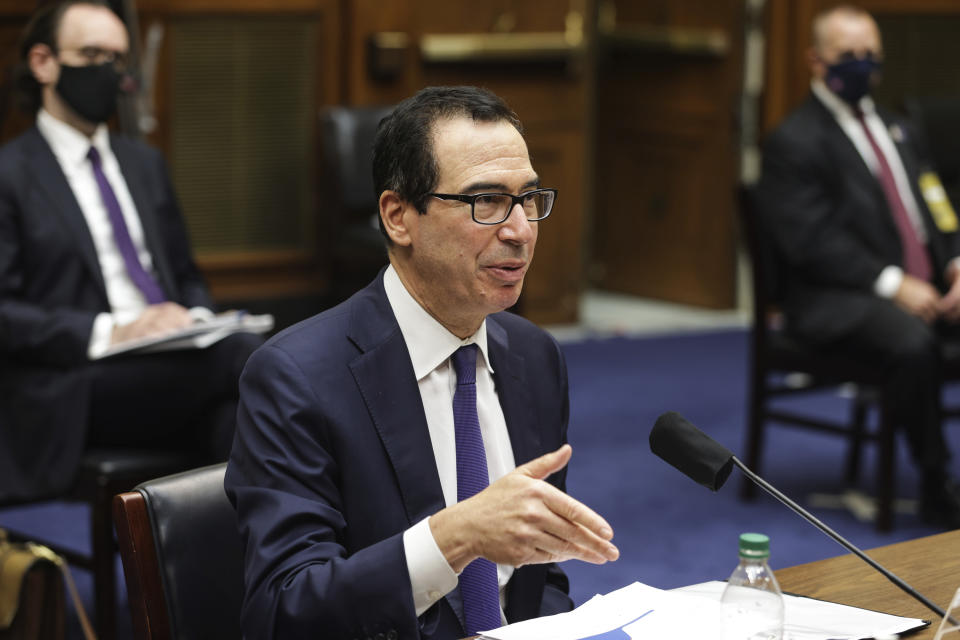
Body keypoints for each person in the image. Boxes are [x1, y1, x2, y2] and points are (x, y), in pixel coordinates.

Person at [225, 86, 619, 639]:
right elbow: (284, 610)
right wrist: (454, 538)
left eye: (528, 199)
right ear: (398, 217)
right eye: (486, 201)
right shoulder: (296, 378)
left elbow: (539, 577)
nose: (520, 231)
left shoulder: (534, 356)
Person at [0, 0, 261, 503]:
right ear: (43, 63)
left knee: (232, 416)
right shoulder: (10, 174)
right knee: (251, 363)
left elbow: (184, 275)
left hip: (174, 365)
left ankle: (221, 573)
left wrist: (199, 319)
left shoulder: (143, 164)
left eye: (118, 60)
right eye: (93, 54)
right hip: (77, 380)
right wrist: (113, 331)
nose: (109, 73)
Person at [756, 4, 960, 527]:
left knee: (919, 323)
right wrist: (895, 285)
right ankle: (938, 481)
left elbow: (935, 206)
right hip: (832, 300)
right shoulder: (793, 141)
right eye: (848, 55)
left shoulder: (899, 127)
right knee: (911, 341)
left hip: (921, 287)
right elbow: (812, 242)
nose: (862, 65)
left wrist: (956, 262)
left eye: (871, 55)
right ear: (815, 60)